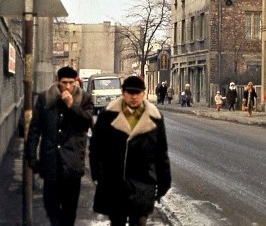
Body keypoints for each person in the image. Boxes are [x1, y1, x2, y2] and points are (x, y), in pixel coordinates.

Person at [90, 75, 171, 226]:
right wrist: (97, 174)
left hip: (143, 182)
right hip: (115, 182)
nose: (134, 97)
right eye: (130, 92)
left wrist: (164, 183)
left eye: (138, 92)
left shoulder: (155, 117)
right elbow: (96, 147)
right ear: (123, 93)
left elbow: (161, 153)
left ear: (144, 94)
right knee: (117, 221)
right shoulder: (108, 115)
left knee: (139, 221)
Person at [25, 66, 94, 226]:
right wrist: (31, 156)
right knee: (51, 208)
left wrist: (72, 106)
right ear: (57, 82)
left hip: (72, 164)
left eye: (71, 83)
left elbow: (87, 123)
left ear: (76, 82)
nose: (68, 87)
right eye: (64, 83)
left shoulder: (84, 99)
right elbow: (35, 129)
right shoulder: (45, 98)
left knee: (69, 212)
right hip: (51, 163)